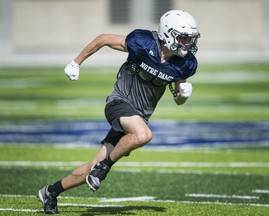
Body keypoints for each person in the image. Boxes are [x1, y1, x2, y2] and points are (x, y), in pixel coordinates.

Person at [38, 9, 200, 214]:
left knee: (91, 167)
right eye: (183, 38)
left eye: (190, 39)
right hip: (119, 103)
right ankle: (104, 168)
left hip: (137, 118)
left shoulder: (184, 64)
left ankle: (50, 192)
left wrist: (183, 96)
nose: (187, 43)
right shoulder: (142, 42)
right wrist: (75, 62)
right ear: (168, 34)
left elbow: (178, 99)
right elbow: (104, 38)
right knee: (144, 135)